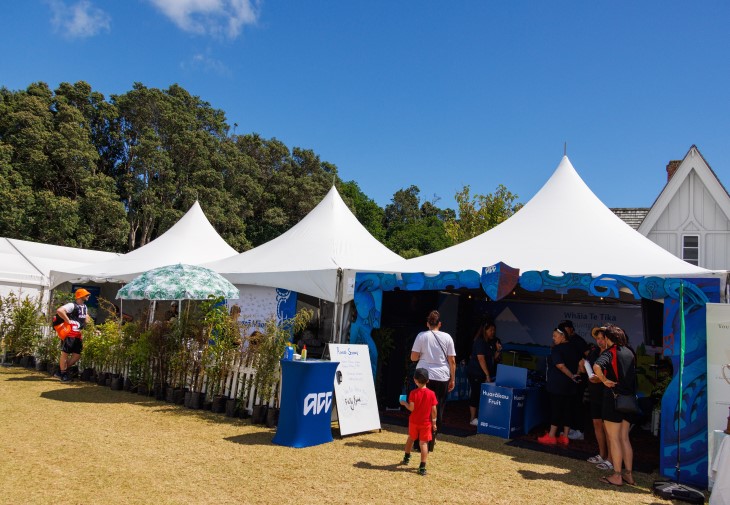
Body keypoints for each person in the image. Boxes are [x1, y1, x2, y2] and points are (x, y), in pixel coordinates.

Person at [592, 324, 637, 487]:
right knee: (625, 438)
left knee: (614, 438)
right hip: (629, 400)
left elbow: (596, 367)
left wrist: (604, 380)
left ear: (609, 338)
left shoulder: (610, 352)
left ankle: (617, 475)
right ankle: (629, 475)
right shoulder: (630, 352)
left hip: (613, 399)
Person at [410, 310, 456, 450]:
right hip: (442, 376)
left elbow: (413, 357)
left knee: (421, 407)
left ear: (427, 323)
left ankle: (420, 441)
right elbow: (452, 360)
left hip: (425, 375)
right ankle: (431, 440)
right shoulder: (447, 337)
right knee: (438, 407)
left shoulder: (421, 336)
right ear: (439, 324)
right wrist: (452, 379)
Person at [538, 327, 580, 446]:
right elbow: (580, 363)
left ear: (563, 336)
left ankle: (551, 436)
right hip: (570, 386)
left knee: (556, 409)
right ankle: (565, 437)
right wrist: (575, 375)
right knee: (567, 410)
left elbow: (560, 365)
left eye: (555, 336)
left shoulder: (557, 349)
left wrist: (572, 375)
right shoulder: (573, 348)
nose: (553, 338)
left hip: (558, 385)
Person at [399, 368, 438, 476]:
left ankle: (406, 457)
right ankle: (422, 466)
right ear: (428, 380)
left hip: (414, 421)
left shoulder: (413, 393)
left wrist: (404, 403)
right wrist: (434, 422)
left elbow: (411, 408)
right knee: (424, 443)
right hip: (426, 423)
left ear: (415, 380)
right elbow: (434, 410)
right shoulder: (431, 394)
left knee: (411, 438)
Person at [584, 326, 612, 470]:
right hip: (594, 394)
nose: (600, 341)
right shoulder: (594, 352)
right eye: (598, 339)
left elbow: (614, 376)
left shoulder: (612, 353)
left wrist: (600, 379)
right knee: (597, 424)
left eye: (602, 338)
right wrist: (584, 367)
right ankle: (602, 454)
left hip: (608, 395)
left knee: (609, 428)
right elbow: (586, 366)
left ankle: (611, 459)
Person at [466, 320, 502, 425]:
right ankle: (472, 419)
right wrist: (487, 375)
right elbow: (481, 359)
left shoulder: (489, 343)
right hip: (476, 372)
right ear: (485, 331)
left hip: (484, 374)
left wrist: (498, 350)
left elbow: (493, 358)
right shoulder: (480, 341)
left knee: (482, 395)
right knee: (476, 393)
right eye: (491, 330)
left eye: (494, 330)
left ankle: (480, 416)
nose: (493, 332)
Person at [558, 319, 588, 441]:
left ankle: (580, 431)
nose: (564, 333)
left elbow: (588, 355)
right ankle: (571, 428)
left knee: (577, 403)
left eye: (565, 330)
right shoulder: (567, 342)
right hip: (570, 377)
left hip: (579, 377)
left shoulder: (579, 341)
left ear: (571, 329)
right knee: (570, 404)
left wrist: (581, 369)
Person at [54, 288, 91, 382]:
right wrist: (68, 321)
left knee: (77, 355)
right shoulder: (72, 305)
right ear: (80, 296)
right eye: (86, 295)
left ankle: (62, 370)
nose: (88, 296)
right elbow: (60, 310)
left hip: (79, 333)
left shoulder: (84, 306)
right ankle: (63, 373)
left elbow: (86, 317)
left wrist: (90, 325)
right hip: (70, 333)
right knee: (65, 354)